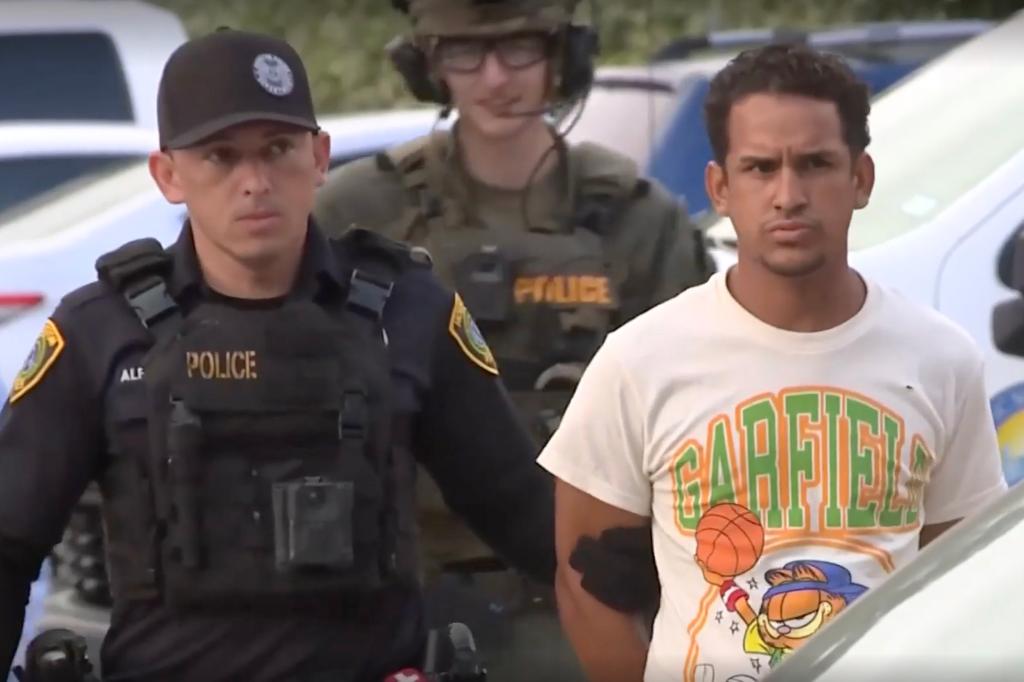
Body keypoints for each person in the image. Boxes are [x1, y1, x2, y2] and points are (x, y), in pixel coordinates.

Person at [0, 28, 556, 682]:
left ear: (319, 157)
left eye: (278, 149)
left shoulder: (411, 312)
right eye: (221, 156)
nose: (255, 181)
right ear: (169, 175)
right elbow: (11, 541)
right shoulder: (100, 331)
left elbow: (529, 517)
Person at [538, 43, 1009, 682]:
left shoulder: (939, 357)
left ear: (861, 179)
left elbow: (960, 583)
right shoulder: (640, 360)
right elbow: (583, 583)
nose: (789, 195)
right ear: (721, 187)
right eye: (761, 168)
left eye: (815, 164)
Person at [312, 0, 713, 629]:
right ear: (428, 64)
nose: (496, 78)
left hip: (591, 600)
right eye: (466, 53)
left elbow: (697, 424)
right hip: (405, 600)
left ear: (564, 57)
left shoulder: (640, 221)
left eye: (520, 48)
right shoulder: (359, 212)